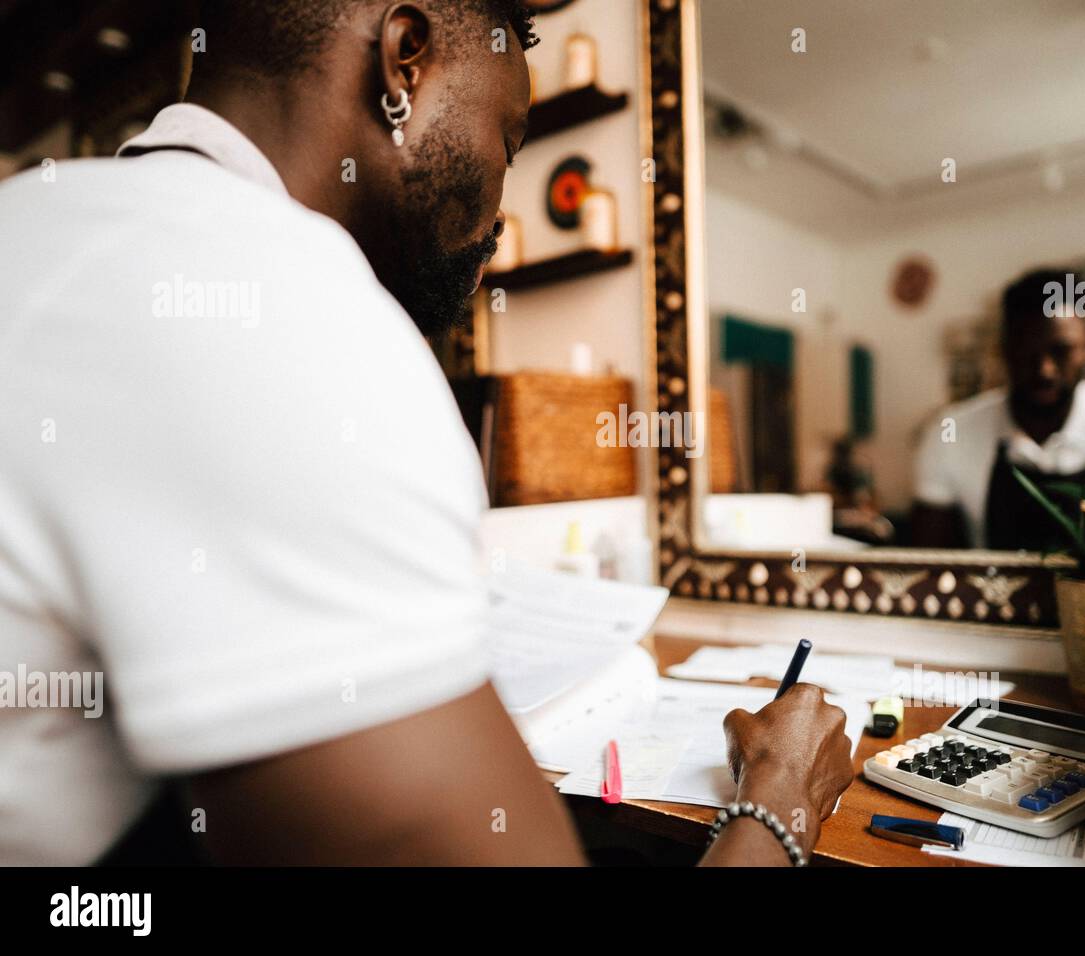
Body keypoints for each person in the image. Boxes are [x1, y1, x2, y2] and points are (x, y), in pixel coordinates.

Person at [0, 0, 852, 866]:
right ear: (404, 62)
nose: (500, 218)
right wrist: (779, 803)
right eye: (508, 142)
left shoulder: (35, 214)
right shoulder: (294, 312)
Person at [911, 269, 1085, 551]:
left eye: (1061, 350)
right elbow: (931, 561)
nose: (1044, 369)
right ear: (1004, 349)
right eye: (1026, 352)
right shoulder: (950, 433)